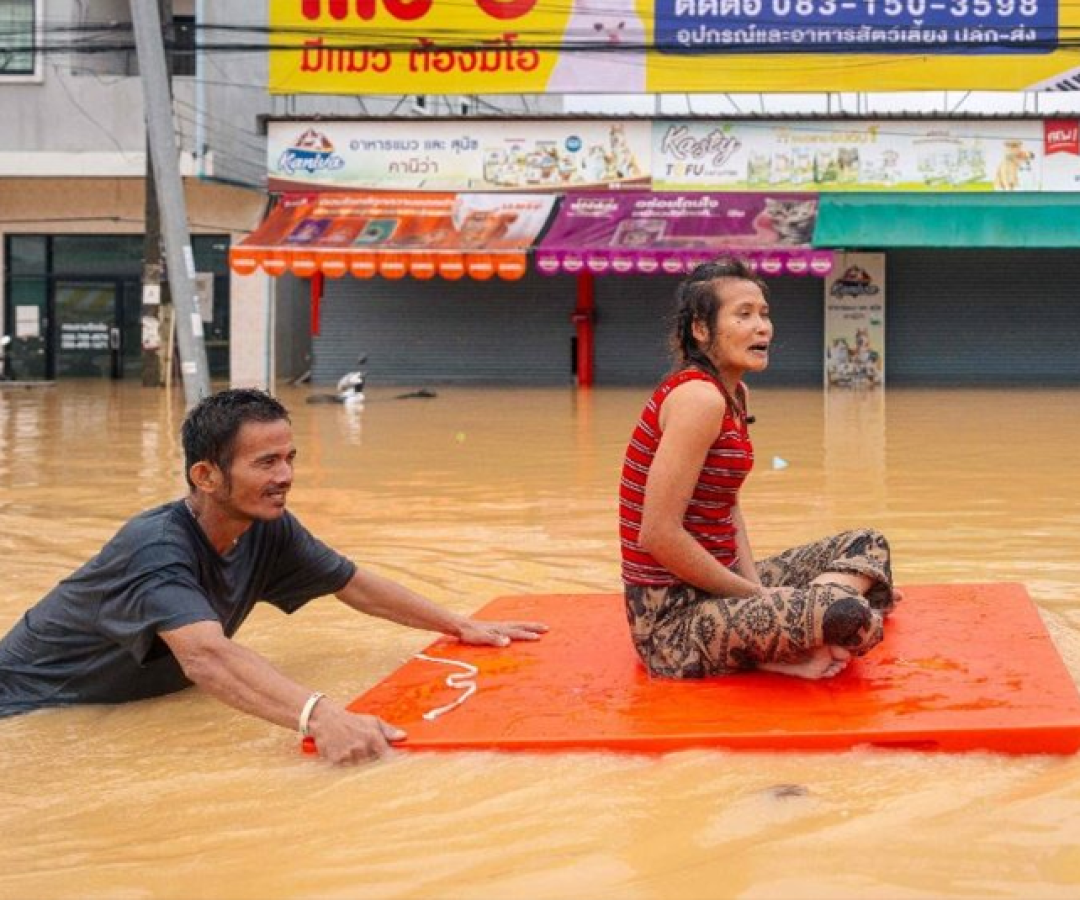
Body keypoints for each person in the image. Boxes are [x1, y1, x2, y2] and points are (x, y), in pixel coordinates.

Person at [0, 389, 547, 763]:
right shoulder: (155, 546)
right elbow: (206, 658)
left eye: (289, 457)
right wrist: (320, 716)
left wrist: (458, 624)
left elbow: (353, 584)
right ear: (206, 475)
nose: (285, 476)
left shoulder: (267, 527)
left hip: (111, 707)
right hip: (28, 712)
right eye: (266, 463)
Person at [618, 258, 899, 681]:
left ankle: (795, 636)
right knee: (847, 613)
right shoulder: (698, 399)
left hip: (718, 583)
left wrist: (761, 597)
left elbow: (727, 507)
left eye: (764, 314)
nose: (763, 327)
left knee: (868, 543)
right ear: (701, 328)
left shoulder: (734, 394)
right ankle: (800, 637)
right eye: (743, 314)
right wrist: (760, 597)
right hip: (671, 625)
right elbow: (657, 533)